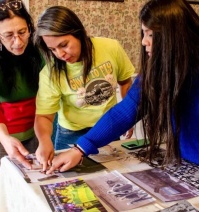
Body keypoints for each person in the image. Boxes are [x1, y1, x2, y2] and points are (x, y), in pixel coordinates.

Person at [48, 0, 199, 204]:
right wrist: (81, 148)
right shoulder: (160, 68)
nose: (143, 42)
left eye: (150, 34)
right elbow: (126, 112)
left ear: (174, 36)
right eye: (144, 33)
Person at [34, 6, 135, 166]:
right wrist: (44, 140)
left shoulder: (111, 48)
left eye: (64, 45)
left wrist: (127, 116)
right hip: (72, 132)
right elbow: (45, 116)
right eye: (53, 49)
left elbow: (125, 82)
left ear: (78, 33)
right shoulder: (50, 73)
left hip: (108, 126)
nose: (60, 54)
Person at [0, 0, 43, 211]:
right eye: (9, 35)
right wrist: (5, 139)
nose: (17, 42)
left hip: (31, 133)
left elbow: (50, 91)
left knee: (30, 192)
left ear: (30, 27)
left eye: (22, 32)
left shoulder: (37, 51)